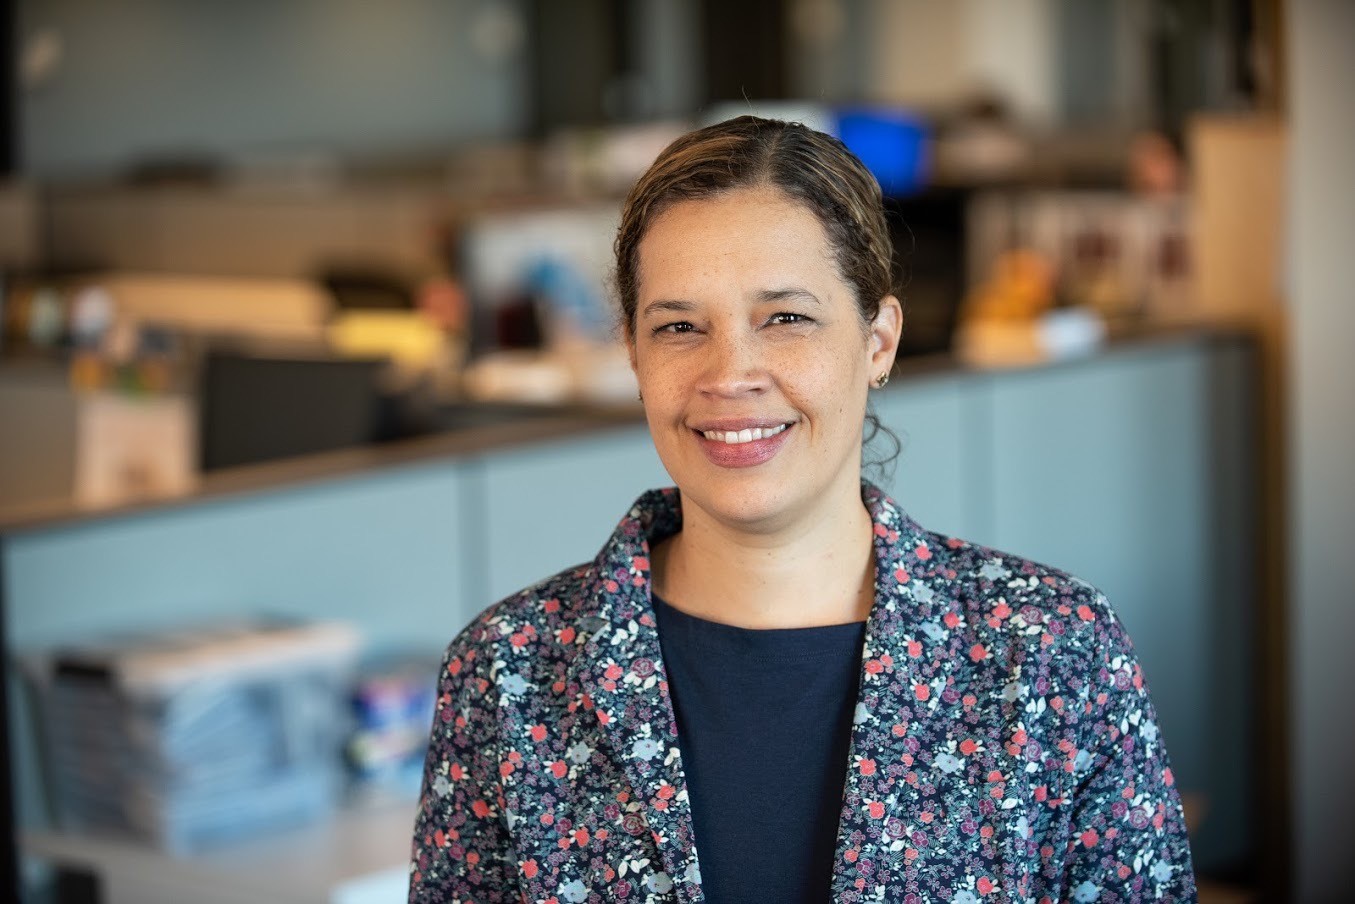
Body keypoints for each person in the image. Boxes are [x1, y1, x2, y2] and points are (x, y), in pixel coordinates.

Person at [409, 116, 1197, 903]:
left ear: (878, 340)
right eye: (679, 327)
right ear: (635, 358)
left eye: (784, 317)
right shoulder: (509, 673)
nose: (730, 374)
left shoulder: (1052, 654)